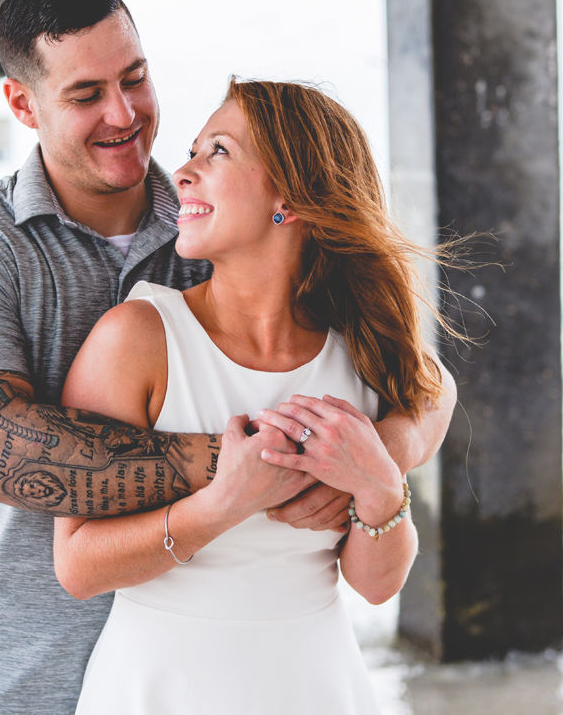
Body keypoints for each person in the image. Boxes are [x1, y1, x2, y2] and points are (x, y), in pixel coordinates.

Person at [0, 0, 455, 715]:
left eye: (134, 78)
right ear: (22, 105)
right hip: (2, 682)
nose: (124, 113)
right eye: (86, 94)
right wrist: (270, 459)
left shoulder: (215, 232)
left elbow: (428, 382)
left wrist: (371, 458)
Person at [56, 79, 449, 714]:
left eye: (217, 153)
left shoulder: (361, 356)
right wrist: (223, 505)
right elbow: (77, 564)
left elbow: (376, 588)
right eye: (191, 153)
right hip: (157, 689)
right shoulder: (138, 338)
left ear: (288, 198)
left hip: (316, 687)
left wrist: (380, 484)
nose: (181, 174)